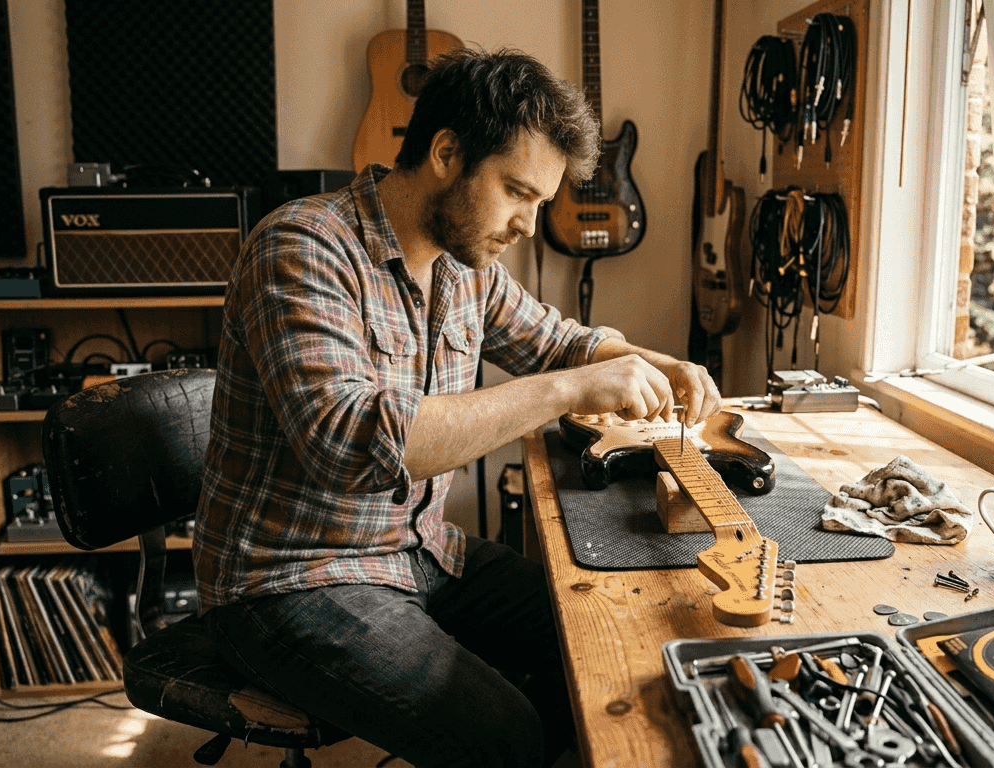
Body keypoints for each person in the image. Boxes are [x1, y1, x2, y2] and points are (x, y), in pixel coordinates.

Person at [193, 48, 721, 768]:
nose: (529, 225)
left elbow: (557, 341)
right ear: (446, 153)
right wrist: (570, 390)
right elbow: (352, 443)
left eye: (539, 202)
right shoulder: (302, 246)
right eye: (517, 193)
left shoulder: (464, 264)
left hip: (415, 555)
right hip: (286, 584)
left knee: (608, 640)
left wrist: (655, 362)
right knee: (506, 735)